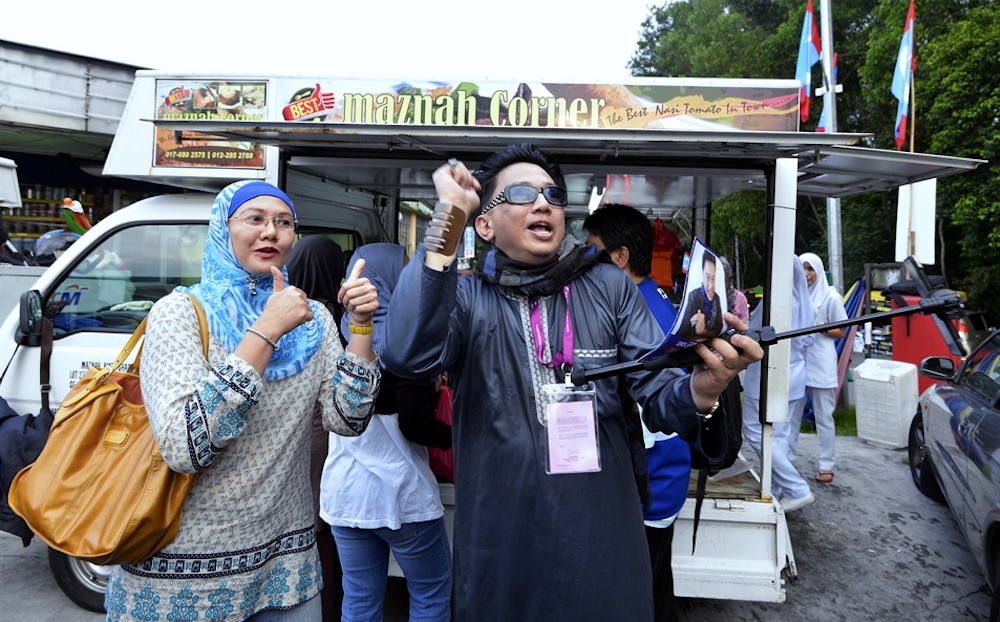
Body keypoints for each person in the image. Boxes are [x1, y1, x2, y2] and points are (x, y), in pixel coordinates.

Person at [381, 143, 763, 622]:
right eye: (522, 193)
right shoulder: (466, 298)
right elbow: (406, 353)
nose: (544, 203)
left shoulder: (609, 286)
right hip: (502, 542)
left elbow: (660, 394)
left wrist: (706, 388)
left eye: (553, 194)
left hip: (600, 536)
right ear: (484, 224)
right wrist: (446, 219)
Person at [104, 180, 382, 622]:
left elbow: (348, 419)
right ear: (223, 228)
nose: (270, 232)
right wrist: (266, 330)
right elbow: (185, 448)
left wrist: (362, 328)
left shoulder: (314, 320)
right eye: (254, 219)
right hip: (182, 574)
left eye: (284, 222)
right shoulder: (178, 313)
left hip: (286, 564)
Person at [320, 243, 452, 622]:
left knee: (360, 599)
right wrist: (455, 438)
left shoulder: (340, 340)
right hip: (400, 494)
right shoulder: (405, 346)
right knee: (430, 593)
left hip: (344, 497)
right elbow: (414, 422)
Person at [584, 204, 689, 622]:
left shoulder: (634, 310)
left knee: (637, 595)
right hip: (663, 477)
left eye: (592, 251)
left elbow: (649, 405)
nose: (585, 261)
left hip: (651, 483)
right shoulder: (654, 297)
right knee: (655, 587)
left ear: (619, 257)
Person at [287, 235, 348, 622]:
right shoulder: (333, 318)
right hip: (324, 437)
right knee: (323, 532)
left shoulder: (281, 310)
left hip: (294, 436)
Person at [741, 255, 816, 513]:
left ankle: (796, 488)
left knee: (753, 430)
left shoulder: (776, 303)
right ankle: (778, 490)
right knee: (779, 436)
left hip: (769, 373)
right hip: (795, 375)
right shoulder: (804, 302)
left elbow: (753, 334)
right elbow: (808, 342)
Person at [791, 252, 848, 483]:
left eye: (810, 268)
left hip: (821, 363)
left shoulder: (831, 297)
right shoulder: (796, 295)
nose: (806, 274)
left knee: (824, 417)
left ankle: (826, 465)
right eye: (802, 268)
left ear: (818, 270)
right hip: (797, 362)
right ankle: (787, 460)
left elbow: (841, 330)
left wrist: (818, 328)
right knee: (792, 415)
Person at [676, 251, 725, 340]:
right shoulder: (693, 296)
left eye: (713, 278)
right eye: (707, 278)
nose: (710, 286)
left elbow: (719, 329)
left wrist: (703, 331)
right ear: (702, 275)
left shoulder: (716, 298)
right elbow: (681, 331)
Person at [720, 255, 749, 323]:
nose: (721, 282)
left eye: (724, 279)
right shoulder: (708, 296)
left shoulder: (739, 297)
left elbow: (745, 324)